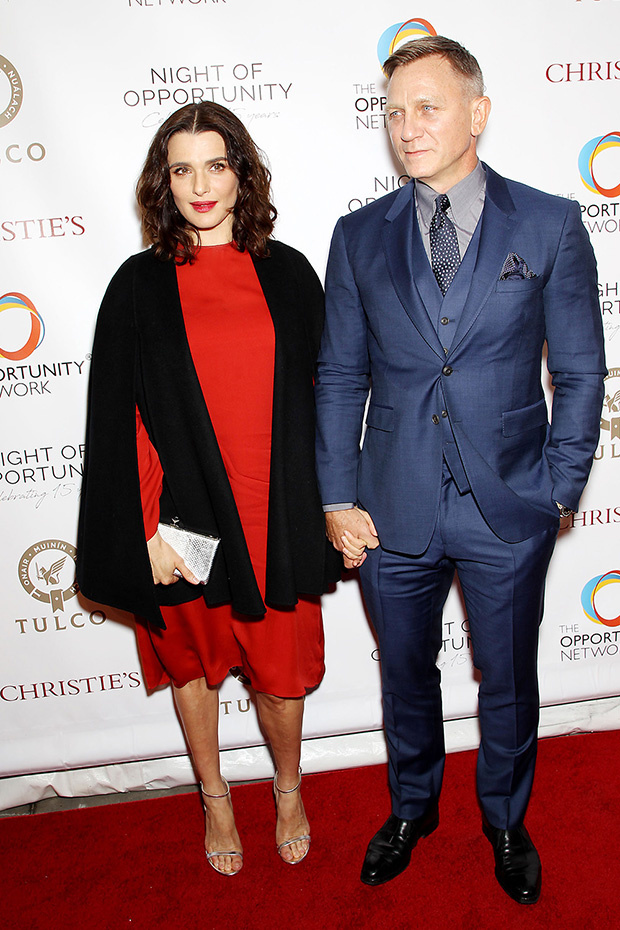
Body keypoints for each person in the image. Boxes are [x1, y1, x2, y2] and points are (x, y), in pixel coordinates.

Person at [315, 36, 605, 904]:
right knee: (405, 673)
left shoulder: (548, 223)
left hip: (508, 504)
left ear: (477, 113)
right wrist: (336, 493)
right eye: (394, 112)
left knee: (508, 675)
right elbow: (338, 374)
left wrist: (558, 484)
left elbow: (583, 370)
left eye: (428, 106)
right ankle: (412, 808)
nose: (408, 127)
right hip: (388, 504)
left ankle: (506, 820)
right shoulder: (358, 235)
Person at [77, 101, 340, 876]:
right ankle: (215, 797)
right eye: (181, 168)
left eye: (216, 165)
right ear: (164, 182)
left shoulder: (289, 271)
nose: (200, 185)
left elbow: (330, 393)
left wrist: (336, 503)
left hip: (278, 513)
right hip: (185, 524)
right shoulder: (138, 285)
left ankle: (288, 788)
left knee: (281, 674)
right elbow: (120, 419)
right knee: (194, 668)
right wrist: (146, 530)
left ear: (242, 174)